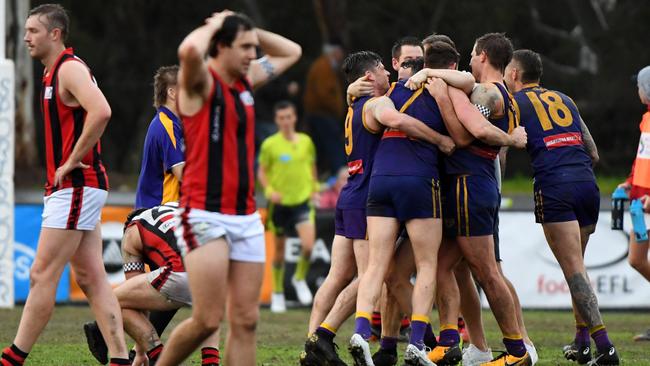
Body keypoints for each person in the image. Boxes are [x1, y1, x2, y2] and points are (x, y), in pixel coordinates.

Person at [156, 11, 301, 366]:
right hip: (204, 213)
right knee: (206, 319)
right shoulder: (199, 83)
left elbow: (291, 51)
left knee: (247, 321)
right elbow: (189, 49)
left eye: (254, 47)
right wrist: (215, 24)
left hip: (246, 216)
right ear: (221, 46)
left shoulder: (245, 81)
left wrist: (251, 31)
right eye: (245, 47)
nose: (253, 54)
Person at [300, 50, 458, 366]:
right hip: (366, 195)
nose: (389, 72)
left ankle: (315, 345)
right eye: (383, 68)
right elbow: (395, 119)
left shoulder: (354, 105)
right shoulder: (376, 102)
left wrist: (348, 93)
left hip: (353, 193)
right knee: (375, 272)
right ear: (370, 76)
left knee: (343, 276)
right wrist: (440, 140)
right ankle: (325, 338)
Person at [1, 4, 130, 366]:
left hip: (76, 184)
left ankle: (13, 357)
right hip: (76, 186)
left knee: (41, 273)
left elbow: (101, 110)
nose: (26, 37)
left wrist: (72, 160)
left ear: (55, 34)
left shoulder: (69, 69)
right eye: (25, 31)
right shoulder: (52, 72)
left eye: (33, 31)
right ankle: (121, 357)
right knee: (90, 277)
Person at [505, 49, 618, 365]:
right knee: (577, 266)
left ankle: (605, 346)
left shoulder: (514, 102)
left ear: (514, 74)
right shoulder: (565, 99)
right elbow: (592, 150)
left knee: (572, 269)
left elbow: (503, 141)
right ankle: (582, 343)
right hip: (586, 184)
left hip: (556, 186)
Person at [84, 204, 221, 366]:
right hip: (218, 270)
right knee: (208, 308)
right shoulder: (180, 209)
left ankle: (153, 353)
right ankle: (211, 360)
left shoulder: (132, 229)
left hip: (179, 273)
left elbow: (135, 299)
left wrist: (142, 350)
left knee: (111, 301)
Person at [258, 100, 319, 312]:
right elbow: (262, 172)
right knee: (279, 253)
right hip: (279, 205)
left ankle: (299, 277)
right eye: (281, 118)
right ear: (277, 120)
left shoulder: (306, 141)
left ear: (294, 117)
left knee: (309, 246)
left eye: (288, 117)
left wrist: (314, 188)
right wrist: (269, 191)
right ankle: (277, 292)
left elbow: (311, 167)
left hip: (302, 202)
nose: (285, 121)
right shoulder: (270, 145)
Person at [134, 65, 185, 209]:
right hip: (160, 212)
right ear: (172, 93)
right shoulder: (167, 125)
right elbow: (182, 173)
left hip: (159, 210)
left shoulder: (172, 123)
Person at [625, 65, 650, 342]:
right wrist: (631, 181)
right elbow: (643, 159)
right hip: (641, 202)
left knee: (637, 258)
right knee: (636, 259)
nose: (637, 89)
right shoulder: (647, 119)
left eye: (640, 84)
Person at [303, 41, 347, 176]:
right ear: (334, 52)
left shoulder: (327, 66)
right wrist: (336, 107)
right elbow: (324, 93)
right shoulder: (323, 67)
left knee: (323, 146)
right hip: (323, 113)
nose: (342, 56)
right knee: (333, 145)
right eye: (340, 52)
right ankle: (340, 175)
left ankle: (325, 174)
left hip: (321, 113)